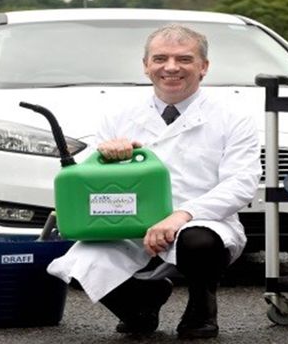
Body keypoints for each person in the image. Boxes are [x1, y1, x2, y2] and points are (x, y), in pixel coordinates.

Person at [48, 24, 261, 339]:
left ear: (204, 67)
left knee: (198, 243)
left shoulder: (233, 118)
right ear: (146, 65)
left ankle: (202, 306)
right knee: (76, 266)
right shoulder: (118, 116)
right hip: (127, 225)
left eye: (184, 59)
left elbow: (241, 184)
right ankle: (141, 303)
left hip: (197, 223)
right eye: (160, 58)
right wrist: (107, 159)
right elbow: (91, 187)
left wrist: (180, 216)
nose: (171, 67)